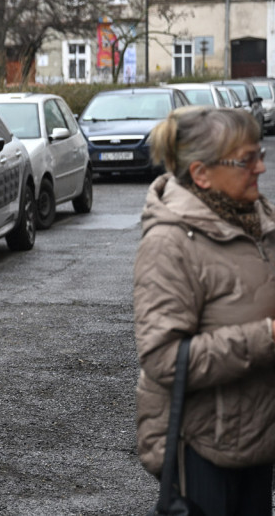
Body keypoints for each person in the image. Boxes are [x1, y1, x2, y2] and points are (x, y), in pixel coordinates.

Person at [134, 106, 275, 515]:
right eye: (247, 159)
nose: (261, 168)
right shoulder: (169, 244)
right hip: (203, 447)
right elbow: (163, 358)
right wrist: (265, 337)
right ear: (201, 174)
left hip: (259, 437)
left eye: (260, 154)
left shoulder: (260, 223)